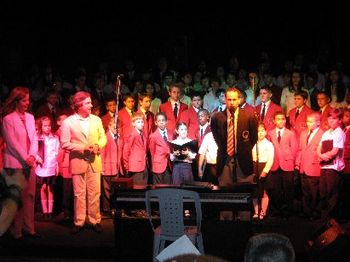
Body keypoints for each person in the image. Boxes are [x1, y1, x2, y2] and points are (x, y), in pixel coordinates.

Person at [60, 91, 107, 234]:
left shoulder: (96, 120)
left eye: (90, 102)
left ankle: (94, 220)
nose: (91, 105)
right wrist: (83, 147)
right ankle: (79, 221)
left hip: (94, 160)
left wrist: (98, 145)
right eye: (87, 103)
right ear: (79, 105)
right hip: (78, 161)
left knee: (95, 193)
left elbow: (103, 137)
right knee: (79, 194)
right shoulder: (68, 122)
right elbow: (64, 143)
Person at [1, 86, 39, 239]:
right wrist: (26, 158)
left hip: (29, 163)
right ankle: (16, 231)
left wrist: (32, 156)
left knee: (29, 196)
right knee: (16, 199)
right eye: (24, 100)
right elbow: (12, 143)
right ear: (16, 101)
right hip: (15, 163)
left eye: (28, 100)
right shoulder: (8, 119)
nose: (27, 103)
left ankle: (30, 229)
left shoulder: (30, 117)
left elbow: (34, 139)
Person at [211, 87, 258, 186]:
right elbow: (217, 138)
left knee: (245, 193)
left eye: (234, 99)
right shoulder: (216, 117)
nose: (232, 102)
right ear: (225, 99)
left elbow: (253, 139)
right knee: (225, 193)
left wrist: (243, 149)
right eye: (229, 99)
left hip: (243, 160)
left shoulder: (249, 116)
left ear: (239, 100)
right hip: (225, 160)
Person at [267, 111, 298, 218]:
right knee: (276, 189)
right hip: (275, 164)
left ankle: (288, 210)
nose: (281, 121)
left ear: (285, 120)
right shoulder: (270, 133)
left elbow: (294, 149)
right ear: (274, 121)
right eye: (278, 119)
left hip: (287, 164)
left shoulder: (290, 133)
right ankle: (277, 210)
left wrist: (290, 160)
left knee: (288, 189)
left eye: (283, 119)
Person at [317, 108, 345, 219]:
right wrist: (320, 155)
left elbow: (335, 151)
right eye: (329, 118)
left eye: (334, 118)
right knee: (323, 191)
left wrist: (324, 156)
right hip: (324, 165)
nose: (331, 121)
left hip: (334, 167)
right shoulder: (326, 133)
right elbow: (319, 147)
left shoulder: (340, 133)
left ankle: (331, 218)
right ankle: (325, 216)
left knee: (332, 193)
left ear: (339, 120)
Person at [295, 112, 324, 221]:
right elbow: (300, 150)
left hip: (314, 167)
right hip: (303, 166)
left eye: (311, 122)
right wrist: (297, 163)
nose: (308, 124)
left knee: (314, 192)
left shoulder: (323, 134)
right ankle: (306, 212)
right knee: (305, 191)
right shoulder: (303, 133)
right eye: (307, 121)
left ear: (318, 122)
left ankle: (315, 212)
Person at [35, 116, 60, 220]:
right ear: (41, 127)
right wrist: (37, 157)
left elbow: (57, 152)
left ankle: (50, 211)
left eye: (49, 125)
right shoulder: (37, 137)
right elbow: (34, 150)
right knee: (43, 187)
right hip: (41, 167)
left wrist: (57, 165)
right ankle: (44, 211)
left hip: (51, 166)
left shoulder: (55, 137)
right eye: (45, 126)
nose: (48, 128)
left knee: (50, 188)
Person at [252, 123, 274, 220]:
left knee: (263, 191)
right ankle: (256, 211)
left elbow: (270, 159)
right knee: (254, 191)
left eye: (262, 131)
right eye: (258, 131)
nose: (260, 133)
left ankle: (263, 211)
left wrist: (265, 171)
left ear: (265, 132)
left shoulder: (269, 144)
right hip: (254, 167)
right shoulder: (253, 143)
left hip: (263, 166)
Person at [123, 112, 148, 185]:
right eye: (138, 122)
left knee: (144, 187)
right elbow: (126, 151)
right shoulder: (132, 134)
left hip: (143, 166)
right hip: (135, 167)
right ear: (133, 124)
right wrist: (126, 166)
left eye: (142, 122)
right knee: (138, 188)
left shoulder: (142, 134)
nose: (141, 124)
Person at [149, 112, 173, 184]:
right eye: (159, 121)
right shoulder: (153, 136)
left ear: (166, 121)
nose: (161, 122)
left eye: (163, 120)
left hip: (169, 164)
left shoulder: (171, 133)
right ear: (156, 123)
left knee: (168, 185)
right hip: (158, 165)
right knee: (158, 187)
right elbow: (152, 152)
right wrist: (155, 163)